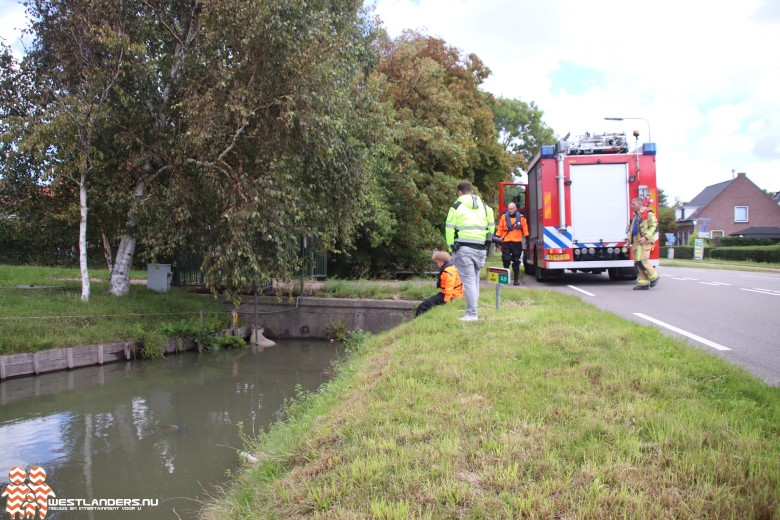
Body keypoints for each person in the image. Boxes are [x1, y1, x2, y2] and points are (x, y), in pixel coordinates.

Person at [445, 181, 495, 321]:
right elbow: (491, 225)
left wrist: (450, 247)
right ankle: (473, 311)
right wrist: (487, 238)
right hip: (480, 249)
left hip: (464, 249)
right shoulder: (485, 208)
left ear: (459, 192)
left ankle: (472, 314)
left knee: (469, 282)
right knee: (475, 280)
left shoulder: (456, 207)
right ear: (471, 191)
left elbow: (449, 228)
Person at [415, 251, 463, 317]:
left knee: (423, 305)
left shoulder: (448, 271)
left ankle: (417, 320)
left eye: (437, 262)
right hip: (452, 293)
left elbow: (449, 287)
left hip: (452, 295)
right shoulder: (449, 268)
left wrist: (446, 301)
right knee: (428, 302)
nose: (437, 264)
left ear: (442, 261)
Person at [627, 196, 660, 290]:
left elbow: (654, 226)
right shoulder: (636, 216)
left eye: (634, 204)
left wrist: (646, 237)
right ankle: (643, 283)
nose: (631, 206)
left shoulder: (648, 214)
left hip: (643, 242)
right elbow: (632, 230)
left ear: (640, 204)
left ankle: (654, 276)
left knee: (642, 260)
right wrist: (629, 241)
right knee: (637, 262)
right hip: (636, 242)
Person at [496, 202, 529, 285]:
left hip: (516, 242)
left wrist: (527, 239)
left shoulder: (521, 218)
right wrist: (497, 238)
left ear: (515, 209)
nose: (509, 210)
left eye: (511, 209)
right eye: (509, 209)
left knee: (516, 261)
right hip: (506, 242)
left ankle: (516, 280)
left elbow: (525, 229)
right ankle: (506, 278)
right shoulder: (504, 217)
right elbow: (500, 228)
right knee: (506, 260)